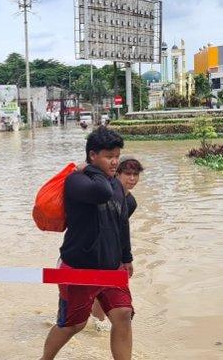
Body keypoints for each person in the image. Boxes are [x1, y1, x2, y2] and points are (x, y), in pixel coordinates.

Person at [41, 127, 133, 360]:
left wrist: (126, 258)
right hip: (79, 268)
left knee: (123, 314)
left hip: (111, 268)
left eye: (117, 156)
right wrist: (93, 171)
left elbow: (122, 223)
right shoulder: (76, 181)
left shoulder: (115, 186)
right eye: (108, 156)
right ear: (92, 155)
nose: (115, 162)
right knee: (73, 325)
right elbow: (101, 193)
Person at [91, 155, 144, 331]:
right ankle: (93, 323)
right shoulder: (106, 193)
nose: (132, 179)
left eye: (135, 175)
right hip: (92, 248)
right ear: (117, 174)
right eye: (128, 174)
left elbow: (120, 230)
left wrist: (124, 258)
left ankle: (97, 324)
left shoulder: (131, 202)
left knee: (104, 289)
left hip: (112, 252)